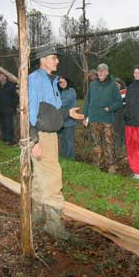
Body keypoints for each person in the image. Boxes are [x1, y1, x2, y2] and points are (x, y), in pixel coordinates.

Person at [28, 43, 84, 239]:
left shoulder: (52, 81)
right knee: (52, 175)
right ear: (43, 60)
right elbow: (29, 110)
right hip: (41, 135)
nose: (57, 60)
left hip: (49, 134)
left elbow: (53, 110)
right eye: (54, 57)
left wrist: (68, 114)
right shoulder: (35, 80)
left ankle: (37, 216)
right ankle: (53, 224)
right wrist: (33, 140)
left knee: (40, 176)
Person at [83, 63, 123, 173]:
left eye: (103, 71)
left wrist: (109, 108)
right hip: (94, 119)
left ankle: (111, 165)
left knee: (109, 143)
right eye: (99, 71)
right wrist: (85, 115)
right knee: (96, 143)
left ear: (107, 72)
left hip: (107, 120)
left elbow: (119, 102)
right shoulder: (92, 85)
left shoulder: (113, 85)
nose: (100, 73)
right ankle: (97, 164)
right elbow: (87, 101)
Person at [0, 70, 18, 144]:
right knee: (2, 124)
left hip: (9, 109)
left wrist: (13, 107)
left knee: (9, 124)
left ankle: (10, 139)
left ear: (6, 77)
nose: (2, 77)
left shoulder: (11, 85)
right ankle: (4, 138)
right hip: (0, 109)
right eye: (0, 76)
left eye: (4, 76)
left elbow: (15, 97)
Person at [58, 76, 77, 159]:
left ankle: (70, 159)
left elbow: (66, 102)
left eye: (64, 82)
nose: (62, 84)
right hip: (60, 121)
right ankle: (63, 157)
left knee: (69, 141)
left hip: (70, 121)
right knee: (62, 140)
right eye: (60, 82)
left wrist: (55, 103)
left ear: (67, 82)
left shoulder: (71, 91)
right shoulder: (58, 92)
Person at [113, 78, 127, 149]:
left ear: (121, 85)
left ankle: (124, 144)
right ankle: (117, 145)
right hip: (115, 113)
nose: (116, 86)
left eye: (118, 84)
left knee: (123, 128)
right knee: (116, 128)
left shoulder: (125, 92)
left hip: (124, 111)